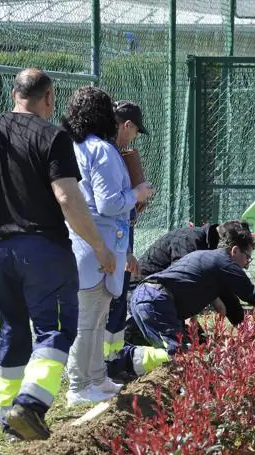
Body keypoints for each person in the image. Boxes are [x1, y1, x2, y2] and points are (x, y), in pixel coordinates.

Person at [0, 69, 115, 440]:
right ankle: (30, 405)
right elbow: (67, 198)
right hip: (45, 251)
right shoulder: (53, 135)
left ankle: (10, 423)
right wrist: (98, 245)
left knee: (9, 331)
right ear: (48, 98)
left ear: (14, 94)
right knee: (55, 328)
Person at [61, 87, 154, 407]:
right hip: (97, 245)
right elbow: (108, 203)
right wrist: (137, 194)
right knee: (89, 319)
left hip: (87, 243)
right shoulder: (100, 150)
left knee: (96, 316)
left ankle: (96, 377)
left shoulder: (77, 146)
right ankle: (79, 385)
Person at [113, 221, 255, 376]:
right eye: (248, 258)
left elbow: (229, 301)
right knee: (179, 355)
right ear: (235, 250)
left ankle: (119, 361)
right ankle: (117, 361)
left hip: (153, 298)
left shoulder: (214, 257)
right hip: (151, 297)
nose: (247, 265)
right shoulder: (198, 244)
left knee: (187, 350)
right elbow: (254, 296)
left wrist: (248, 334)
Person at [103, 100, 152, 368]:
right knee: (111, 300)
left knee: (117, 298)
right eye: (134, 131)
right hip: (112, 239)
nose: (134, 138)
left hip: (119, 236)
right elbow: (108, 205)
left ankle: (112, 359)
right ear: (127, 125)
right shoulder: (108, 154)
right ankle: (105, 364)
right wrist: (137, 194)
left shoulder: (113, 153)